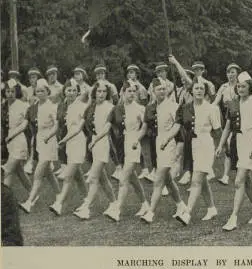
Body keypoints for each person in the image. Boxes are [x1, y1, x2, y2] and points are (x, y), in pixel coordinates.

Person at [220, 72, 252, 231]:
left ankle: (233, 218)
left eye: (244, 86)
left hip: (249, 141)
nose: (240, 89)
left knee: (239, 181)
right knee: (246, 181)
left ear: (250, 87)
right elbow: (227, 127)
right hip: (236, 142)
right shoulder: (232, 104)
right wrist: (220, 145)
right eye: (238, 86)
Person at [139, 78, 187, 223]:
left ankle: (150, 212)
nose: (162, 91)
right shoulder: (150, 108)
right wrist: (136, 139)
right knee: (167, 179)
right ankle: (180, 205)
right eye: (159, 89)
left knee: (159, 179)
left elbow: (177, 126)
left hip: (170, 144)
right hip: (157, 145)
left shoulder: (173, 106)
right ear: (153, 92)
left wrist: (168, 139)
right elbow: (145, 127)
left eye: (164, 88)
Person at [175, 78, 222, 226]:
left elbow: (218, 131)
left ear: (206, 92)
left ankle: (187, 213)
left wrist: (220, 147)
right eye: (196, 88)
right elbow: (179, 125)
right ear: (191, 91)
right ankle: (211, 208)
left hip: (206, 145)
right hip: (192, 146)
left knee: (196, 179)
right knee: (202, 179)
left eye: (202, 88)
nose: (199, 91)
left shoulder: (212, 109)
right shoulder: (187, 108)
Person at [101, 80, 150, 221]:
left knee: (123, 178)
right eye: (129, 91)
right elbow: (107, 126)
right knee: (132, 178)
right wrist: (97, 139)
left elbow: (144, 127)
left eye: (134, 91)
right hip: (121, 146)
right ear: (123, 92)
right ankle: (145, 205)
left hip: (134, 145)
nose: (132, 94)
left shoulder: (139, 108)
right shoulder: (116, 108)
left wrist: (138, 139)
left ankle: (117, 210)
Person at [72, 81, 117, 220]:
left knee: (93, 177)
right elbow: (80, 126)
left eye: (104, 91)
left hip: (103, 144)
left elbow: (106, 129)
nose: (101, 94)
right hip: (93, 145)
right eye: (99, 91)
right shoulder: (90, 107)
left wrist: (96, 140)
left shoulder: (111, 107)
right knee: (102, 178)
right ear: (94, 93)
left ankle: (86, 208)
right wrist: (67, 138)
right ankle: (114, 203)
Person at [19, 79, 61, 213]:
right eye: (38, 91)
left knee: (38, 173)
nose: (40, 93)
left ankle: (29, 202)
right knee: (48, 172)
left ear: (47, 92)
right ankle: (60, 197)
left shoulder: (52, 106)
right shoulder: (35, 107)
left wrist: (49, 136)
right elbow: (27, 124)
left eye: (43, 91)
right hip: (39, 141)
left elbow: (56, 125)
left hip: (50, 141)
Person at [50, 79, 89, 216]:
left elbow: (78, 129)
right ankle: (87, 201)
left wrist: (64, 140)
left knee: (68, 176)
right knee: (78, 176)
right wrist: (49, 137)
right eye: (68, 90)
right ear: (64, 91)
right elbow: (58, 125)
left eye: (74, 90)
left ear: (77, 92)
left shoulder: (81, 106)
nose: (71, 93)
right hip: (68, 144)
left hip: (78, 142)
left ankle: (58, 204)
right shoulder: (63, 106)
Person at [1, 79, 32, 191]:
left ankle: (5, 200)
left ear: (17, 92)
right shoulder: (3, 106)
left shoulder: (22, 106)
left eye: (12, 91)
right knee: (20, 172)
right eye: (8, 91)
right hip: (9, 143)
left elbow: (23, 125)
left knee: (8, 170)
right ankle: (33, 195)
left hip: (19, 140)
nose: (10, 94)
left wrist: (11, 136)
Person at [214, 63, 241, 185]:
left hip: (239, 116)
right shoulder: (223, 87)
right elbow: (216, 101)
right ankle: (225, 175)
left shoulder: (241, 86)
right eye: (229, 72)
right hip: (226, 116)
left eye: (233, 72)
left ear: (237, 74)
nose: (231, 74)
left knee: (234, 144)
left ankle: (238, 173)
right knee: (227, 146)